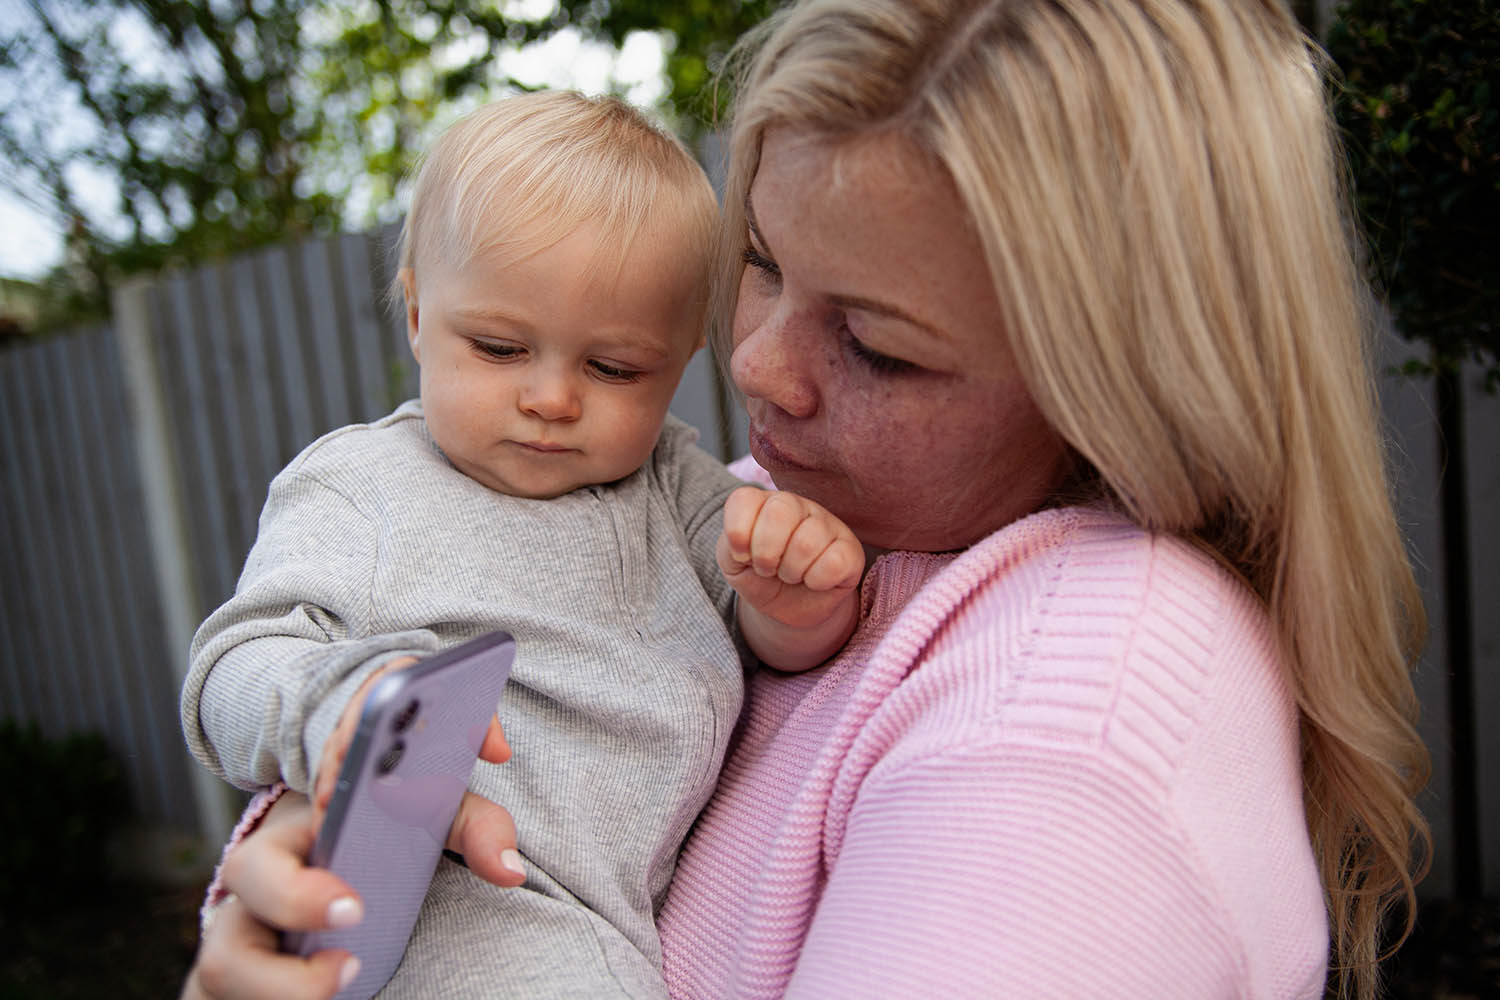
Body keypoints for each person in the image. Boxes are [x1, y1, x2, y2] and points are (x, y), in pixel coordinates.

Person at [181, 1, 1433, 999]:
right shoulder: (785, 496)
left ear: (1127, 382)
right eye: (763, 264)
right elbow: (298, 699)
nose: (754, 367)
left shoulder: (1068, 749)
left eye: (879, 347)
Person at [179, 90, 863, 999]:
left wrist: (796, 594)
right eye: (500, 348)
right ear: (419, 314)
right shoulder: (365, 483)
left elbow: (771, 640)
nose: (552, 398)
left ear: (679, 365)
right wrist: (330, 707)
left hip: (614, 921)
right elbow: (230, 663)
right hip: (454, 899)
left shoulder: (673, 482)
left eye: (613, 368)